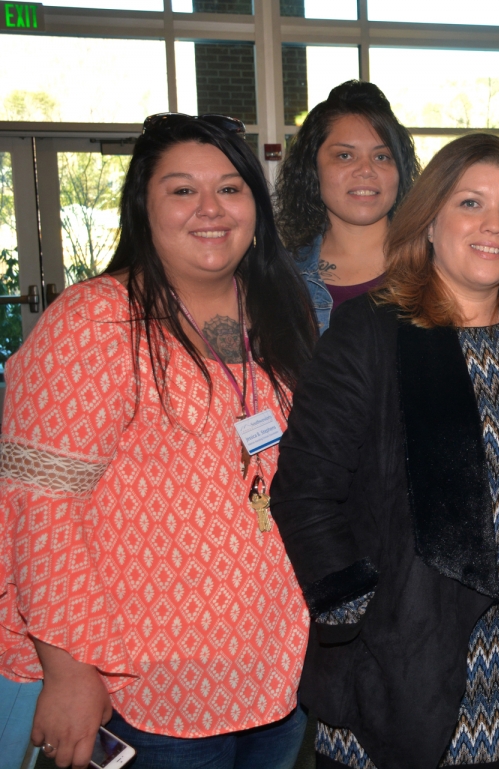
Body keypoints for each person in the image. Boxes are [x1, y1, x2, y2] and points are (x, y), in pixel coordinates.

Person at [0, 113, 316, 768]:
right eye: (181, 190)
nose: (210, 208)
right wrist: (69, 669)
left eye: (231, 188)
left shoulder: (268, 313)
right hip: (141, 687)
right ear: (144, 206)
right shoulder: (96, 321)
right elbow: (38, 507)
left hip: (271, 673)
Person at [271, 134, 499, 769]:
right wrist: (361, 614)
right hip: (399, 665)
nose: (493, 225)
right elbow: (305, 489)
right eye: (471, 203)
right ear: (431, 220)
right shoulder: (371, 333)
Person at [275, 80, 421, 334]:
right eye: (345, 155)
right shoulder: (281, 278)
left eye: (381, 157)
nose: (366, 170)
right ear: (312, 167)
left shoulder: (438, 268)